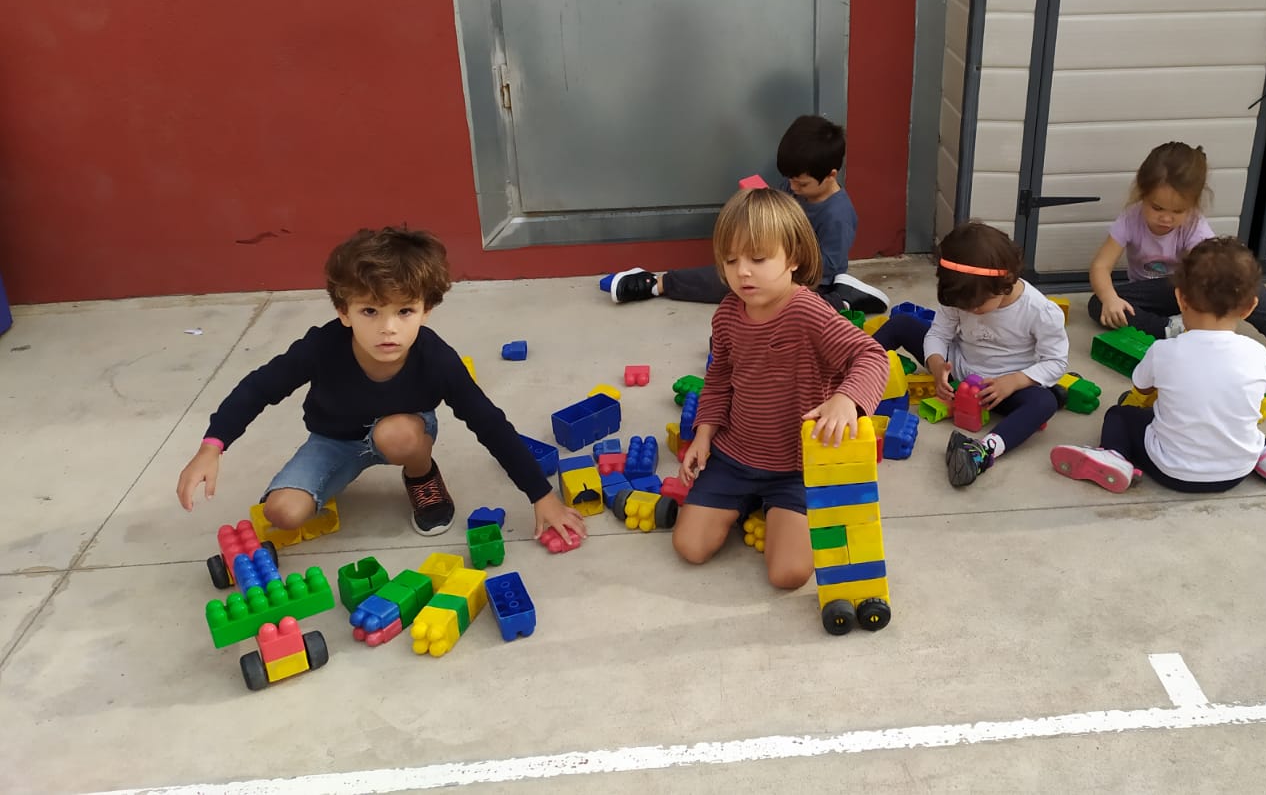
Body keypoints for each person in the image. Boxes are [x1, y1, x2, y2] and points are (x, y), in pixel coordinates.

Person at [175, 227, 588, 544]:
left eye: (404, 311)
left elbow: (489, 423)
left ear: (426, 311)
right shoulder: (322, 346)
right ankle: (334, 477)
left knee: (398, 433)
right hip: (333, 440)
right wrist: (212, 447)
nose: (388, 329)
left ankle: (421, 474)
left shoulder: (437, 360)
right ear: (344, 310)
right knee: (282, 513)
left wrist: (541, 496)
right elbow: (258, 388)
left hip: (405, 430)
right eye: (370, 311)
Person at [673, 187, 890, 588]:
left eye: (758, 258)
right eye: (731, 260)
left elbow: (871, 356)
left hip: (797, 466)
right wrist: (704, 434)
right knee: (690, 547)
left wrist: (846, 399)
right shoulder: (726, 315)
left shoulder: (808, 311)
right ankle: (748, 505)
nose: (743, 272)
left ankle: (769, 510)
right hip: (735, 456)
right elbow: (719, 377)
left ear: (792, 258)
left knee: (788, 575)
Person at [1052, 236, 1266, 494]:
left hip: (1171, 470)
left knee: (1120, 414)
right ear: (1250, 308)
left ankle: (1115, 456)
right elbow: (1262, 393)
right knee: (1233, 419)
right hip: (1238, 471)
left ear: (1180, 299)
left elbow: (1141, 390)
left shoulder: (1164, 350)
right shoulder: (1258, 352)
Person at [601, 115, 888, 313]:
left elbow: (829, 266)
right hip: (768, 263)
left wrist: (788, 260)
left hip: (805, 281)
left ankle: (844, 300)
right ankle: (655, 283)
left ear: (830, 175)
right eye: (789, 180)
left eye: (801, 183)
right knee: (731, 281)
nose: (792, 188)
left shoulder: (837, 213)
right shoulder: (793, 189)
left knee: (786, 309)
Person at [871, 221, 1068, 488]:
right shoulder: (962, 294)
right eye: (962, 306)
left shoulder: (1039, 311)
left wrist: (1015, 381)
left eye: (977, 306)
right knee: (901, 324)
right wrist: (937, 362)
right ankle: (850, 370)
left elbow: (1055, 361)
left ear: (1006, 281)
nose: (970, 311)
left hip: (999, 389)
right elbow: (939, 333)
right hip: (958, 366)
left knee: (1044, 403)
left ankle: (982, 451)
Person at [1087, 142, 1266, 372]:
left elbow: (1205, 274)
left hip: (1191, 290)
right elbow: (1100, 266)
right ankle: (1170, 329)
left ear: (1193, 204)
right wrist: (1110, 299)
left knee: (1241, 276)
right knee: (1098, 303)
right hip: (1155, 294)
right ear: (1142, 192)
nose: (1166, 219)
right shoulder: (1131, 218)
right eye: (1157, 208)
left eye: (1177, 211)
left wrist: (1204, 307)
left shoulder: (1194, 226)